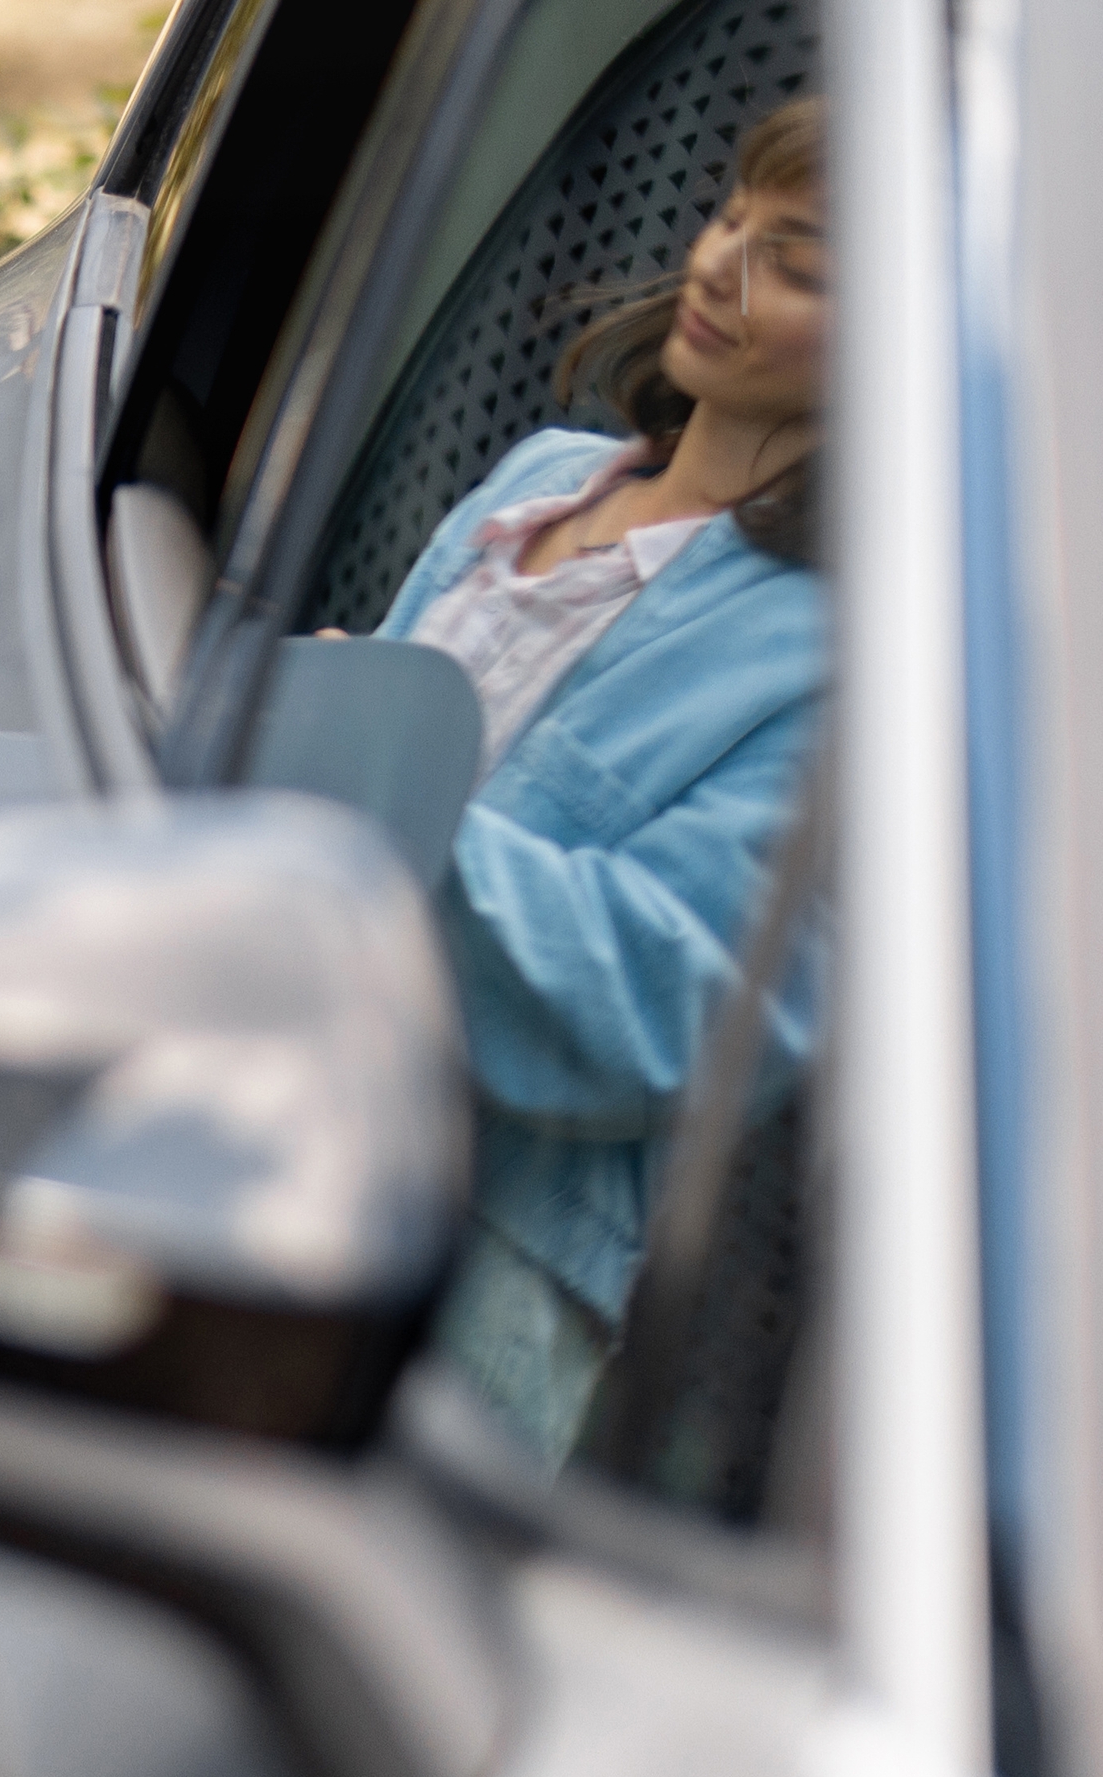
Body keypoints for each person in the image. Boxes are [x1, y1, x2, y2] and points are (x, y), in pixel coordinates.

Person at [373, 97, 831, 1463]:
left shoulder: (836, 658)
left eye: (796, 262)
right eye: (732, 213)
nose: (718, 263)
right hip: (294, 1119)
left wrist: (378, 786)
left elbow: (685, 998)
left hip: (485, 1270)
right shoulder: (538, 482)